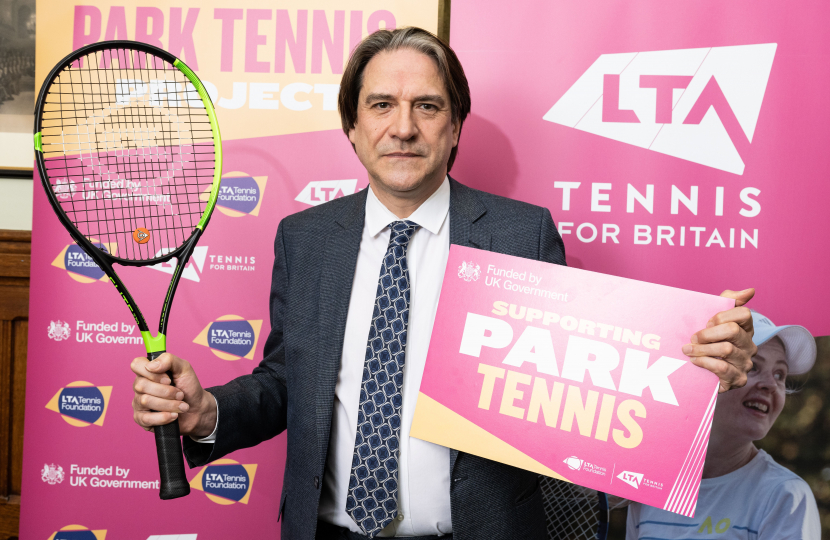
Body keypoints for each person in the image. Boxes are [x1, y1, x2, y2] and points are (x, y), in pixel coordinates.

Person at [131, 28, 758, 540]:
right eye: (381, 106)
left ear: (455, 126)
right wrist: (208, 411)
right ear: (352, 126)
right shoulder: (307, 239)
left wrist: (692, 366)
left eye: (426, 107)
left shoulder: (521, 234)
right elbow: (288, 380)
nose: (403, 128)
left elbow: (586, 380)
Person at [626, 311, 820, 539]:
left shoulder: (785, 496)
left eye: (780, 374)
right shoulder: (650, 485)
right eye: (753, 366)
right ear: (702, 375)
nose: (771, 384)